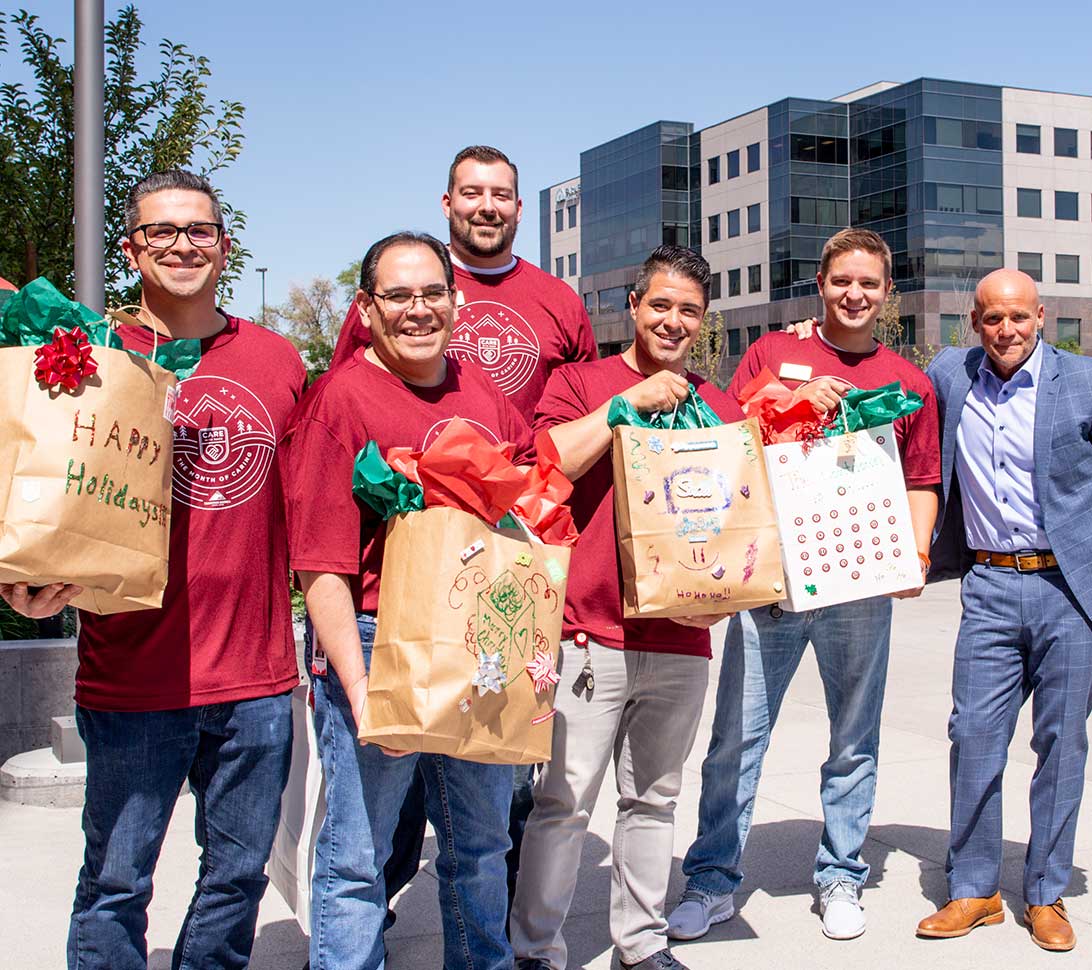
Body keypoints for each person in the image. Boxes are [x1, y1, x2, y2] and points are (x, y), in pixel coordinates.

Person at [2, 170, 306, 969]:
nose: (182, 245)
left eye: (199, 230)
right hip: (132, 677)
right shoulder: (83, 352)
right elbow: (31, 485)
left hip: (257, 681)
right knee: (114, 883)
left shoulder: (278, 362)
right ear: (132, 248)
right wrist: (25, 584)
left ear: (224, 245)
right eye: (162, 232)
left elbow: (310, 506)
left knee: (237, 879)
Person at [329, 145, 596, 921]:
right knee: (376, 829)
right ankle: (366, 921)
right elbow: (355, 417)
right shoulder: (393, 307)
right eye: (472, 192)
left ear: (520, 208)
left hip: (499, 588)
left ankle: (488, 935)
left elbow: (550, 445)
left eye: (503, 194)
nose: (488, 205)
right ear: (447, 203)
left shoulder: (556, 304)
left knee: (489, 816)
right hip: (398, 595)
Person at [667, 228, 940, 943]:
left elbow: (922, 477)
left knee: (854, 739)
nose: (855, 294)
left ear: (887, 292)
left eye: (870, 284)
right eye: (842, 281)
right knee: (735, 739)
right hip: (775, 586)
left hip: (859, 582)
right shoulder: (770, 356)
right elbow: (727, 438)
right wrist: (787, 399)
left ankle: (841, 874)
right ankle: (712, 879)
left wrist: (913, 551)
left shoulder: (908, 383)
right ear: (820, 284)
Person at [282, 231, 536, 970]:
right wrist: (361, 695)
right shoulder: (340, 401)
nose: (417, 310)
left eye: (432, 292)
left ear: (457, 301)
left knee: (483, 847)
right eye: (397, 295)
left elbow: (532, 504)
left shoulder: (482, 394)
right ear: (366, 308)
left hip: (481, 643)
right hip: (374, 640)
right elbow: (320, 567)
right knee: (359, 858)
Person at [510, 246, 739, 970]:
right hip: (586, 634)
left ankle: (640, 946)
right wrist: (623, 408)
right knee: (563, 802)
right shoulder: (581, 382)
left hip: (681, 638)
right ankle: (535, 950)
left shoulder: (718, 404)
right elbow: (543, 462)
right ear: (634, 308)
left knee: (655, 800)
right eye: (661, 305)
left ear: (703, 322)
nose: (673, 321)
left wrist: (723, 601)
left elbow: (738, 523)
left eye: (689, 311)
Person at [915, 268, 1092, 952]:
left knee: (1061, 744)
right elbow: (891, 396)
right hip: (988, 583)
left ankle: (1046, 894)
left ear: (1041, 316)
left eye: (1019, 317)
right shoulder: (950, 376)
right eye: (993, 318)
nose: (1007, 330)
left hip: (1067, 590)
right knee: (974, 736)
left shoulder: (1079, 382)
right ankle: (975, 889)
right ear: (974, 320)